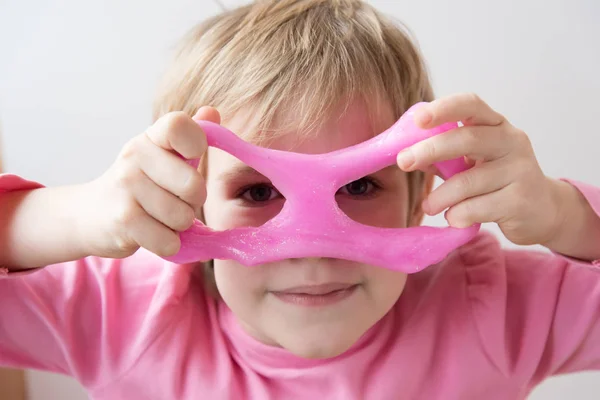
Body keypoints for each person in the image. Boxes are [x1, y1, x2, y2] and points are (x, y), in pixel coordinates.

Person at [1, 1, 599, 399]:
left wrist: (563, 215)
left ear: (422, 196)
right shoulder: (125, 316)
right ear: (191, 202)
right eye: (257, 191)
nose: (312, 253)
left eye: (361, 185)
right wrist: (75, 216)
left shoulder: (489, 306)